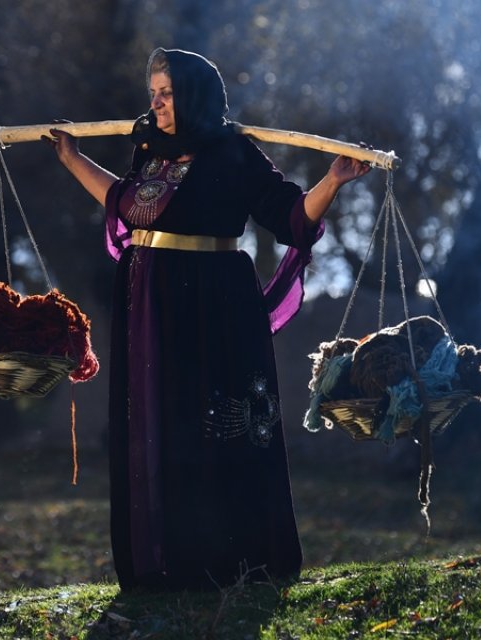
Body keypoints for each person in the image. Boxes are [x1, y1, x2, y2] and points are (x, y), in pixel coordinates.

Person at [47, 48, 371, 590]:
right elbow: (125, 204)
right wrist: (73, 159)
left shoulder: (233, 153)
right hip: (149, 301)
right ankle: (162, 561)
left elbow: (289, 218)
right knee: (154, 422)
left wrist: (333, 181)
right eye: (152, 92)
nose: (156, 102)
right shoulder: (151, 150)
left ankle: (228, 560)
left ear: (195, 94)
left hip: (214, 301)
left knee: (217, 425)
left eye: (167, 92)